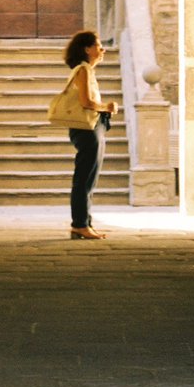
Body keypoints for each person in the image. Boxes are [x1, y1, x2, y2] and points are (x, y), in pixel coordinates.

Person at [63, 30, 119, 240]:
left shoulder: (87, 70)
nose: (102, 49)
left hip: (92, 128)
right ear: (87, 49)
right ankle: (79, 224)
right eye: (98, 45)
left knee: (89, 179)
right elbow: (86, 102)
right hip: (87, 129)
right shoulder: (83, 70)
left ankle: (85, 223)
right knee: (85, 179)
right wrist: (107, 107)